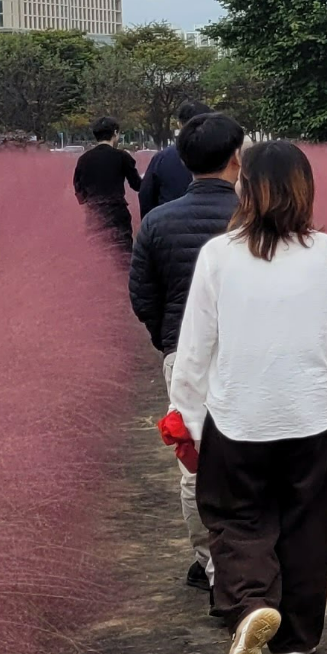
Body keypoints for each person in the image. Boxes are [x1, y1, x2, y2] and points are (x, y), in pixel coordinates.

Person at [169, 140, 327, 654]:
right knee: (306, 521)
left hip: (239, 415)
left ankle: (251, 604)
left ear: (249, 189)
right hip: (308, 414)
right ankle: (295, 640)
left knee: (236, 517)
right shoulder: (326, 252)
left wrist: (184, 414)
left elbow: (196, 346)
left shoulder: (219, 254)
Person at [130, 113, 246, 589]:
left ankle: (213, 566)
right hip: (248, 356)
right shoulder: (253, 218)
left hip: (184, 356)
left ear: (183, 159)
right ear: (237, 159)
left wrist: (168, 343)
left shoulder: (157, 221)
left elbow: (142, 296)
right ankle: (255, 567)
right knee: (251, 458)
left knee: (194, 464)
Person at [71, 118, 140, 247]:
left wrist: (87, 201)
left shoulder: (83, 160)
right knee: (121, 255)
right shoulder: (122, 157)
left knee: (97, 252)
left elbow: (78, 188)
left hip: (94, 215)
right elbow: (137, 185)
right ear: (115, 133)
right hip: (117, 215)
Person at [137, 102, 209, 216]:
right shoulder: (225, 154)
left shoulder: (162, 158)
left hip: (169, 224)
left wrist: (150, 226)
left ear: (179, 124)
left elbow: (146, 195)